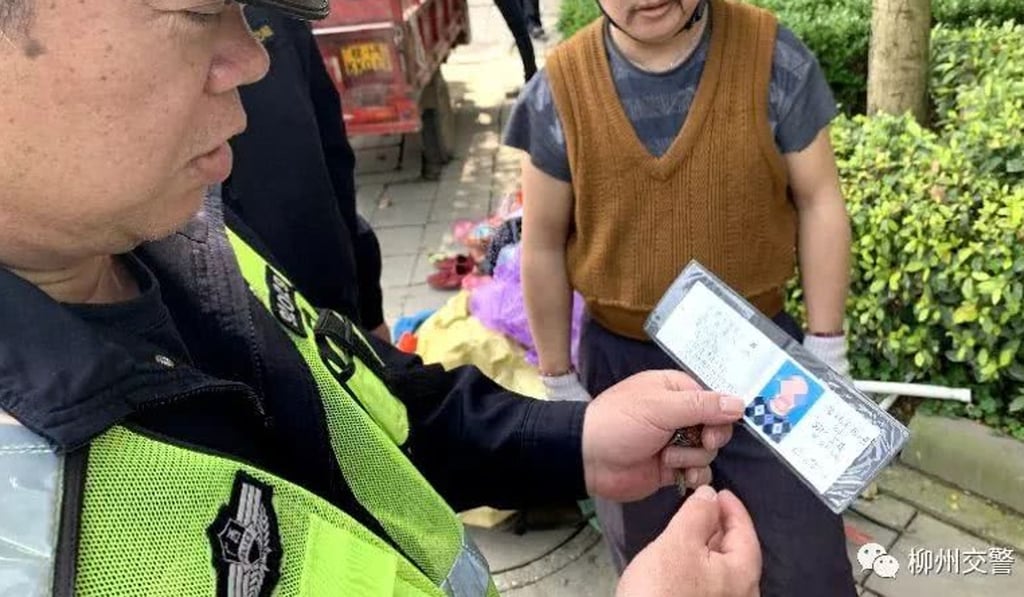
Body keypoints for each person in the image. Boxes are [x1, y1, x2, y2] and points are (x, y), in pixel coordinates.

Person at [0, 0, 759, 594]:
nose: (252, 58)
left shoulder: (182, 237)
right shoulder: (26, 529)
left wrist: (573, 437)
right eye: (201, 9)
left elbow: (365, 410)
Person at [506, 0, 856, 594]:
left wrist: (827, 345)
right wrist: (559, 380)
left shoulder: (772, 56)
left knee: (809, 562)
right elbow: (541, 244)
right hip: (626, 365)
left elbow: (819, 199)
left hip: (765, 360)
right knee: (662, 561)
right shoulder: (559, 91)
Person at [224, 5, 391, 342]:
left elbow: (332, 157)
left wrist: (369, 305)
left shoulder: (273, 15)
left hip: (319, 302)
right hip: (236, 328)